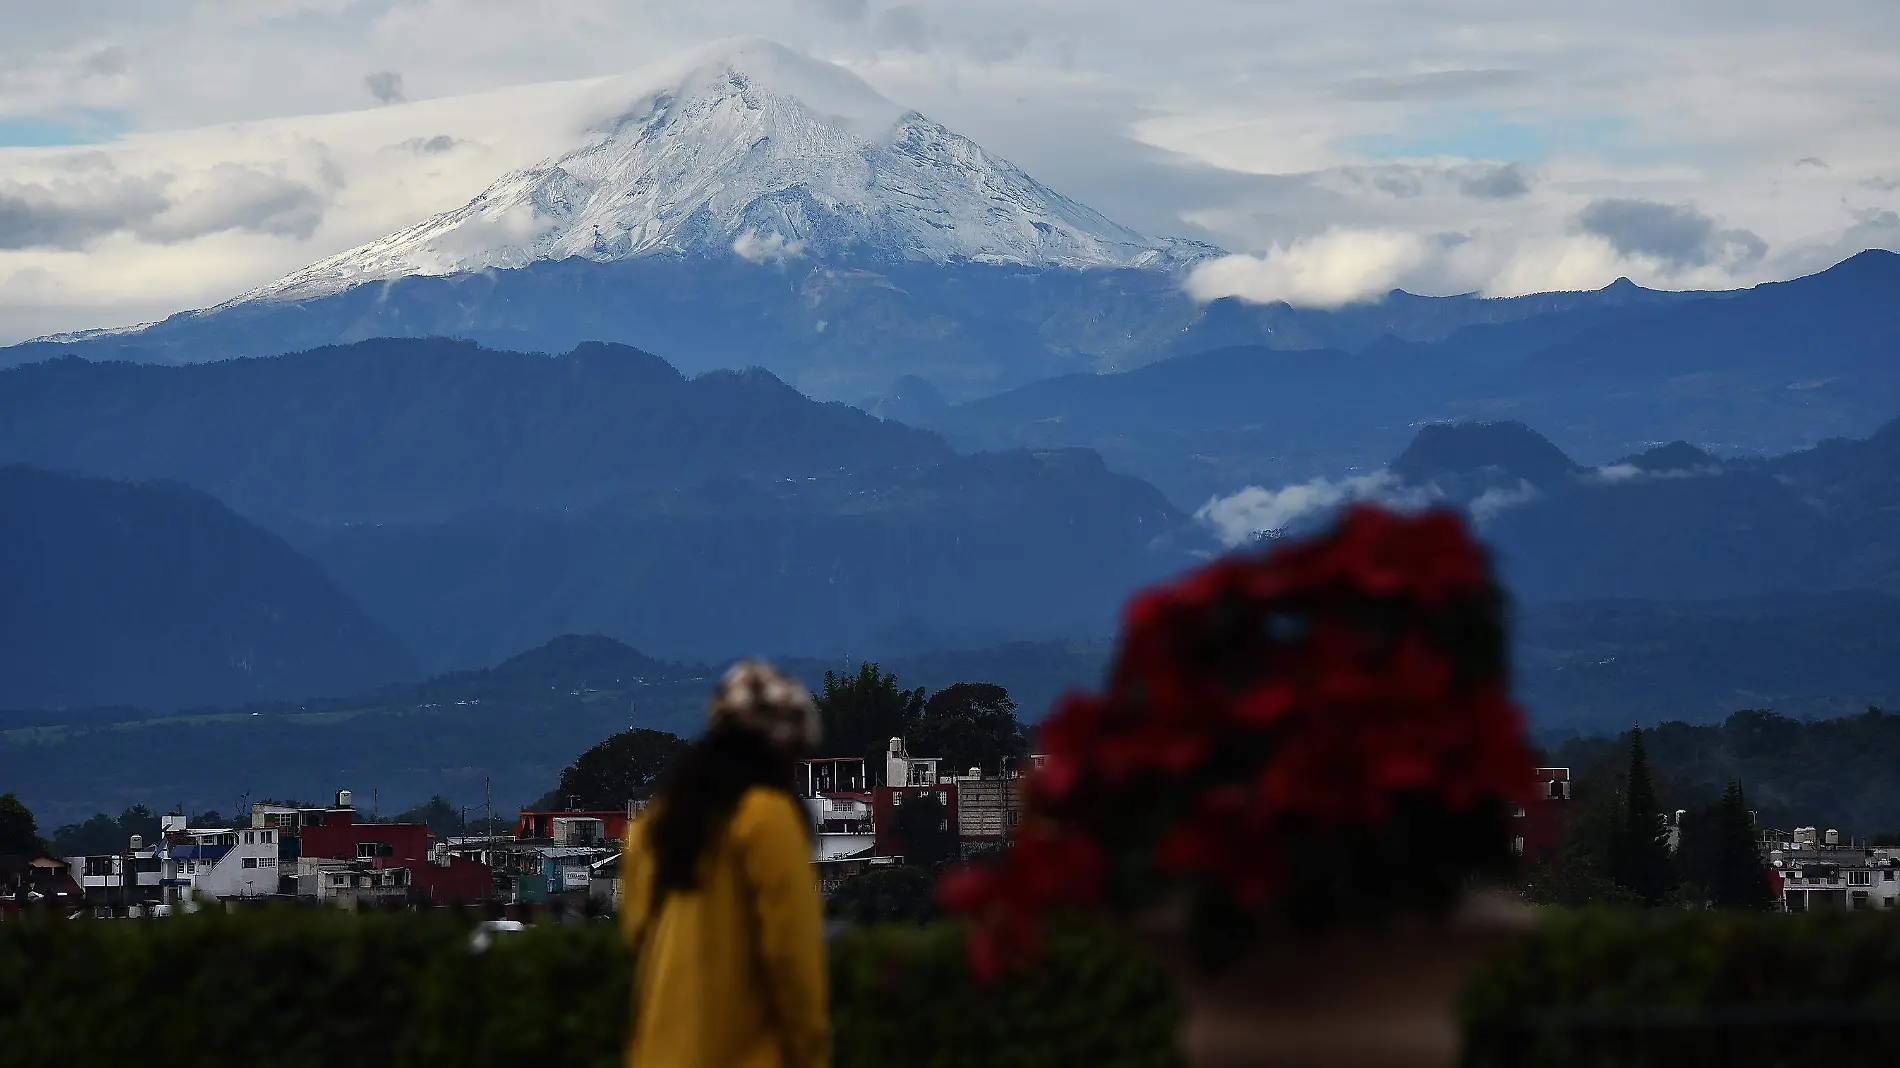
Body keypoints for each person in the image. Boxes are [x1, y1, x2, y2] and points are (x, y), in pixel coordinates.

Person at [621, 659, 829, 1068]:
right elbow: (793, 958)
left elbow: (635, 933)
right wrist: (811, 1053)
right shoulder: (766, 818)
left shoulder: (653, 826)